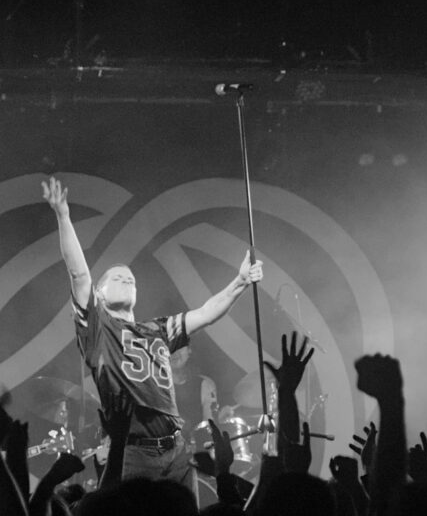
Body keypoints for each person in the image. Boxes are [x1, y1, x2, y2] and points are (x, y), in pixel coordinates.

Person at [43, 175, 263, 485]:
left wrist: (239, 282)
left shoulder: (157, 330)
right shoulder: (98, 328)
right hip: (133, 453)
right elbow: (79, 274)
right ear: (101, 294)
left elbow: (206, 313)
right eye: (117, 278)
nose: (128, 279)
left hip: (176, 449)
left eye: (131, 278)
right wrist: (63, 216)